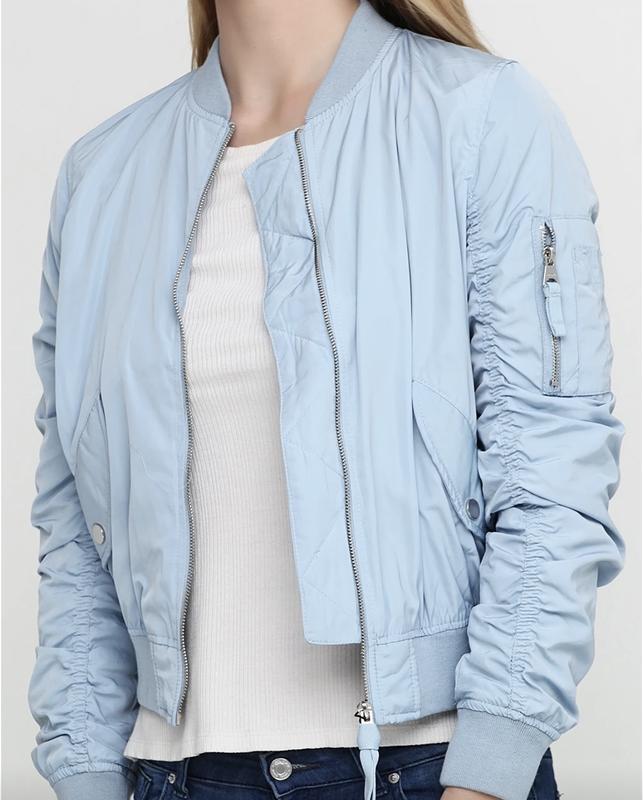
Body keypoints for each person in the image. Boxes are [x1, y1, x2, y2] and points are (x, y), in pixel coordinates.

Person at [27, 1, 625, 799]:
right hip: (170, 777)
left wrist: (486, 773)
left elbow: (551, 474)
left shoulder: (481, 115)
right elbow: (76, 530)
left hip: (424, 771)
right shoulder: (103, 173)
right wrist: (85, 776)